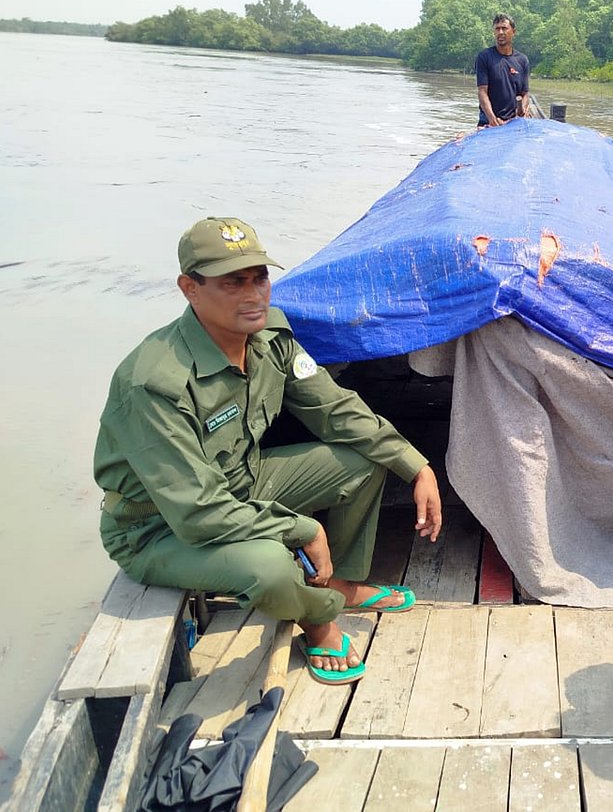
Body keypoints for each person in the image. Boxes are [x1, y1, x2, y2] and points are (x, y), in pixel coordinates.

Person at [95, 217, 443, 686]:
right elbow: (197, 512)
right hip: (160, 528)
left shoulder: (269, 338)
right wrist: (301, 527)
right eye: (232, 282)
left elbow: (335, 410)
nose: (253, 294)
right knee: (271, 565)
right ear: (189, 289)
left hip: (242, 482)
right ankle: (319, 618)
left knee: (363, 461)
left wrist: (415, 464)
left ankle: (337, 581)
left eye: (259, 277)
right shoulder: (154, 382)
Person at [475, 13, 530, 127]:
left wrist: (523, 109)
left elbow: (525, 94)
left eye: (504, 28)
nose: (500, 32)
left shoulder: (522, 60)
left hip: (512, 122)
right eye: (497, 29)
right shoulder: (484, 57)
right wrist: (492, 119)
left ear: (513, 32)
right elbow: (482, 91)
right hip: (490, 122)